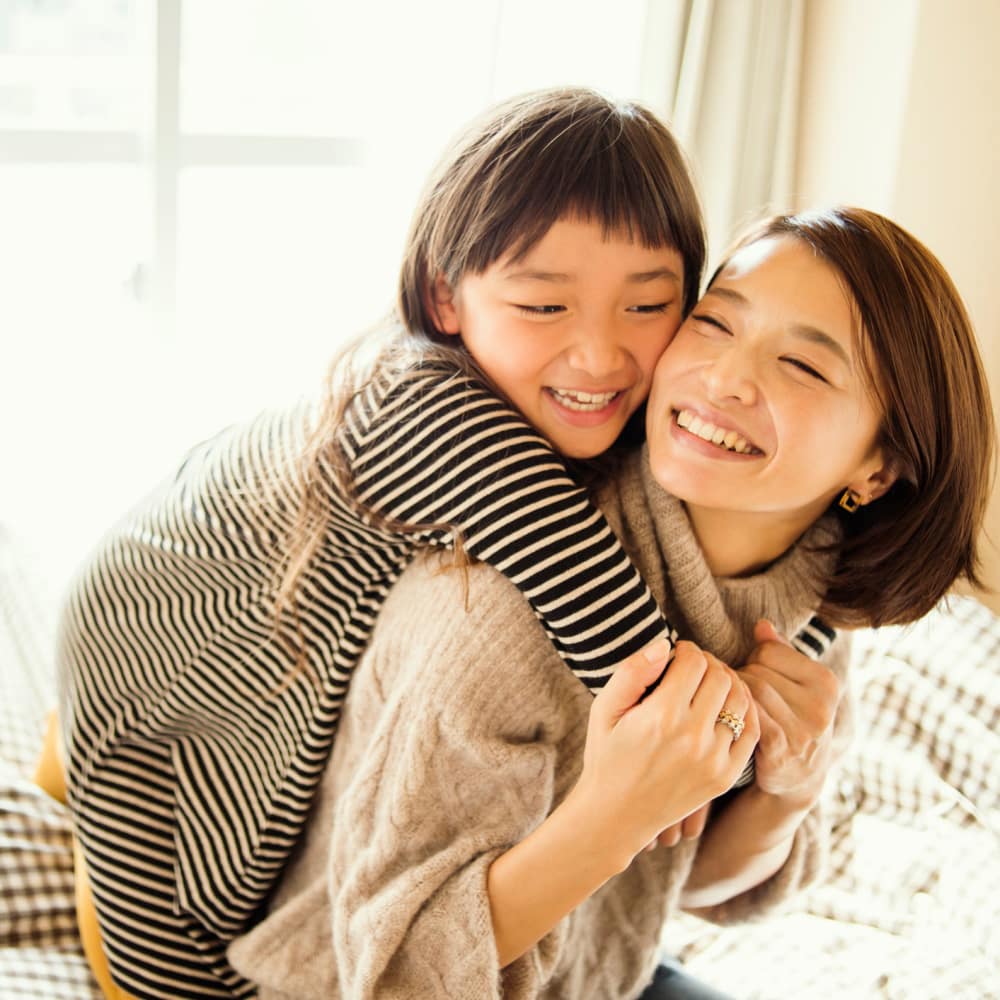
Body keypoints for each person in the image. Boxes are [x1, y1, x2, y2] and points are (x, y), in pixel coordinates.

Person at [40, 88, 732, 1000]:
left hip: (256, 589)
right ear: (445, 298)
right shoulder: (420, 398)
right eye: (540, 305)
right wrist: (719, 740)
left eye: (648, 306)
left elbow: (705, 568)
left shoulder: (576, 402)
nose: (601, 355)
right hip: (161, 634)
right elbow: (621, 640)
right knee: (189, 954)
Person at [224, 207, 994, 999]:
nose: (725, 377)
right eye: (716, 322)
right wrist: (614, 814)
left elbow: (697, 886)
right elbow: (395, 978)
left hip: (605, 974)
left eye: (802, 365)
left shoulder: (809, 596)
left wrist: (786, 791)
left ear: (878, 467)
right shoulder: (497, 611)